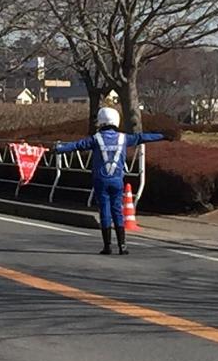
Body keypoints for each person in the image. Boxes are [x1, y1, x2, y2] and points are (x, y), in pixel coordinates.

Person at [49, 107, 172, 255]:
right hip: (117, 180)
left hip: (100, 180)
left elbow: (77, 145)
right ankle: (122, 246)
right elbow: (142, 137)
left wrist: (58, 148)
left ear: (101, 122)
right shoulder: (123, 138)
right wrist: (163, 135)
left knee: (105, 211)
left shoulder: (96, 139)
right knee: (117, 211)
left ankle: (107, 246)